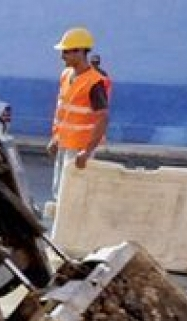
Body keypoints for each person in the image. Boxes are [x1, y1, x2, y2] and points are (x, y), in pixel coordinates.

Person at [47, 27, 111, 200]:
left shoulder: (94, 83)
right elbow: (63, 111)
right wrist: (55, 139)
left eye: (66, 52)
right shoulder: (66, 75)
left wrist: (87, 151)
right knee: (59, 192)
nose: (62, 56)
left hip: (79, 148)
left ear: (81, 52)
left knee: (73, 195)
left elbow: (102, 118)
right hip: (64, 144)